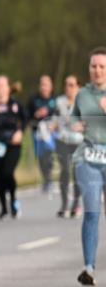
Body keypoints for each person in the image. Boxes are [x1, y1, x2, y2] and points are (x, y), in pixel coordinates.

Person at [71, 47, 106, 287]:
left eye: (102, 66)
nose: (97, 70)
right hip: (88, 156)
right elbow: (74, 116)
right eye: (94, 66)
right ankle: (89, 269)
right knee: (92, 210)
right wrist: (75, 126)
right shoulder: (82, 94)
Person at [0, 75, 27, 220]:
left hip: (12, 144)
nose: (0, 88)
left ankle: (14, 200)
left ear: (9, 88)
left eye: (3, 85)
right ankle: (3, 206)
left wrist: (20, 132)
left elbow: (25, 119)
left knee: (8, 172)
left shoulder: (15, 105)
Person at [51, 75, 83, 218]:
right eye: (66, 85)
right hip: (63, 140)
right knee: (64, 169)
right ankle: (64, 204)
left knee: (77, 174)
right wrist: (52, 126)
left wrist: (83, 125)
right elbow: (55, 119)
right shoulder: (59, 102)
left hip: (79, 141)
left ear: (78, 87)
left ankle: (75, 203)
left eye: (71, 85)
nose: (68, 88)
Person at [28, 75, 58, 195]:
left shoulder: (56, 100)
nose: (44, 87)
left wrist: (55, 124)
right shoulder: (33, 100)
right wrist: (35, 115)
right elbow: (27, 116)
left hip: (51, 133)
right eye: (42, 84)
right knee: (41, 157)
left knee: (50, 154)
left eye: (47, 84)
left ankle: (50, 178)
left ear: (51, 86)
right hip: (38, 133)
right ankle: (46, 178)